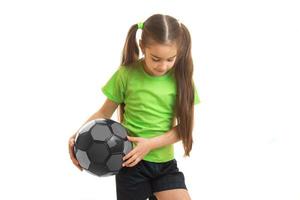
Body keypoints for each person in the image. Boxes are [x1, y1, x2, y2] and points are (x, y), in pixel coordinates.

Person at [68, 14, 200, 200]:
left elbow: (184, 129)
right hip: (130, 163)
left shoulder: (182, 81)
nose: (163, 66)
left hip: (165, 164)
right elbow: (103, 113)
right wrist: (76, 136)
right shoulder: (126, 74)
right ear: (142, 46)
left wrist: (150, 144)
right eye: (155, 58)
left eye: (171, 59)